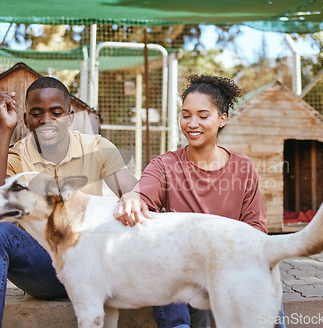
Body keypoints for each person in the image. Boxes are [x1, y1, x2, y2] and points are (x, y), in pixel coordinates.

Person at [114, 74, 286, 328]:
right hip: (184, 270)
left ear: (221, 119)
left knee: (264, 271)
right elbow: (143, 197)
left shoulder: (243, 167)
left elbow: (256, 229)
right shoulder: (165, 164)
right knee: (160, 258)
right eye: (186, 115)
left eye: (203, 116)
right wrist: (131, 196)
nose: (192, 123)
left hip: (229, 263)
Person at [0, 76, 137, 328]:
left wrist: (136, 198)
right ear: (25, 119)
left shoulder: (98, 147)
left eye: (56, 112)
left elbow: (141, 199)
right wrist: (4, 130)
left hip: (94, 271)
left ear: (70, 116)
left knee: (151, 226)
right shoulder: (16, 155)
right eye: (36, 113)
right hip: (43, 271)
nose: (46, 120)